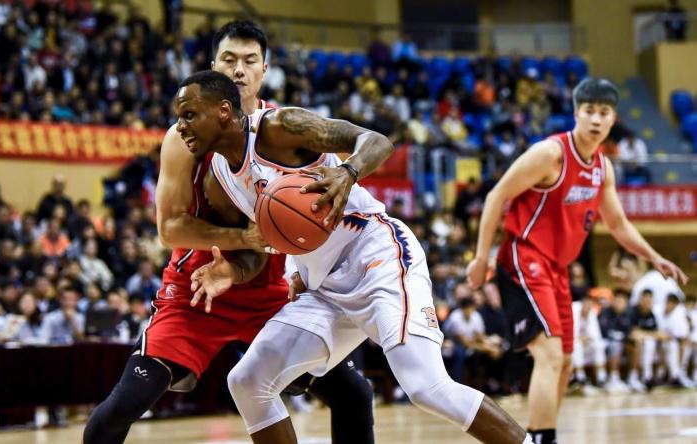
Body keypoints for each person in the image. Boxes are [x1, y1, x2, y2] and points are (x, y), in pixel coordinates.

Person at [181, 70, 530, 444]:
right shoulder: (219, 181)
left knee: (426, 386)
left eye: (189, 114)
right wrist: (234, 271)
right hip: (323, 288)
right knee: (247, 381)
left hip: (376, 257)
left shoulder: (281, 127)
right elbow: (260, 247)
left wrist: (348, 171)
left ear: (222, 111)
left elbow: (376, 141)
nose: (180, 126)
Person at [83, 20, 375, 444]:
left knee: (353, 395)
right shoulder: (182, 137)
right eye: (229, 59)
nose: (239, 69)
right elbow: (169, 229)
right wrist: (243, 240)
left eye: (250, 60)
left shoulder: (284, 128)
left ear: (265, 69)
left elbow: (336, 187)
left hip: (270, 293)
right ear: (213, 66)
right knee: (121, 408)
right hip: (197, 289)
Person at [466, 77, 687, 444]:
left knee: (566, 361)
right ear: (576, 113)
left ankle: (540, 434)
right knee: (550, 355)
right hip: (524, 257)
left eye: (604, 112)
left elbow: (618, 224)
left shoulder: (603, 168)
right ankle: (542, 439)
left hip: (557, 269)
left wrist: (654, 257)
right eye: (589, 111)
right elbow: (496, 196)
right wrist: (480, 257)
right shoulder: (550, 154)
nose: (596, 119)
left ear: (613, 118)